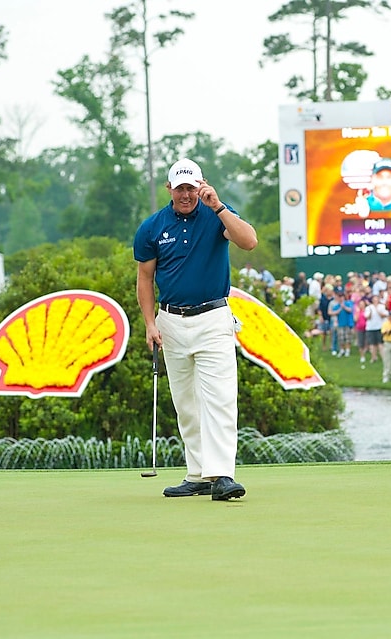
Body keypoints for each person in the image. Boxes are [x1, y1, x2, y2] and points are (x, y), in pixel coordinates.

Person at [134, 157, 258, 502]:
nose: (186, 194)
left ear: (201, 184)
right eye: (180, 188)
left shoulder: (217, 213)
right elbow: (144, 278)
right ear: (169, 188)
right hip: (170, 321)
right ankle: (198, 474)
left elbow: (248, 242)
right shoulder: (153, 226)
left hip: (213, 318)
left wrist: (217, 206)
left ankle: (222, 476)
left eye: (192, 187)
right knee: (186, 403)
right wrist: (149, 324)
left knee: (219, 399)